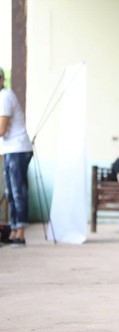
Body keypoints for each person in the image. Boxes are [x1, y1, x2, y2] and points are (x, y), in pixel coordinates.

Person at [0, 67, 33, 247]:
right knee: (10, 192)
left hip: (18, 149)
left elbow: (1, 129)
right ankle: (13, 230)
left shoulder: (5, 96)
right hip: (9, 149)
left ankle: (20, 232)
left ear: (1, 79)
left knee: (18, 191)